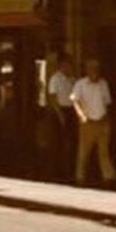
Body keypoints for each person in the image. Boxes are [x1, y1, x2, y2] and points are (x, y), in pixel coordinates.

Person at [70, 57, 116, 187]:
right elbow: (75, 100)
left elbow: (107, 103)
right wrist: (81, 115)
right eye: (92, 69)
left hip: (102, 121)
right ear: (87, 70)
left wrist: (107, 119)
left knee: (104, 151)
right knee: (84, 152)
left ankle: (108, 177)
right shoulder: (80, 84)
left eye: (97, 69)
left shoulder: (103, 84)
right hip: (87, 122)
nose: (95, 71)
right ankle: (80, 177)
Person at [47, 53, 76, 181]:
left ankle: (67, 169)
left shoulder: (72, 80)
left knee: (70, 142)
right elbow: (53, 98)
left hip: (70, 110)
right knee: (57, 142)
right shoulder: (55, 79)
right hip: (59, 110)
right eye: (66, 65)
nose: (69, 67)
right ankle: (55, 171)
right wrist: (60, 115)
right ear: (61, 65)